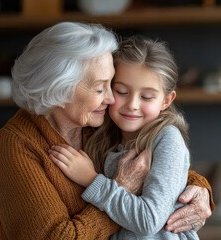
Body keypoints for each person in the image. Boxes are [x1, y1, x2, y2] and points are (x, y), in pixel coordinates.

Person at [0, 22, 214, 239]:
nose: (111, 98)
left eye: (111, 84)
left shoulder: (100, 123)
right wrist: (121, 187)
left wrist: (199, 189)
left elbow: (158, 165)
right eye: (100, 88)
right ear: (61, 90)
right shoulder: (14, 145)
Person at [49, 35, 199, 239]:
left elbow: (149, 221)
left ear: (166, 100)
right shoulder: (103, 136)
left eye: (146, 97)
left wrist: (91, 179)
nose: (132, 105)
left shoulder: (167, 138)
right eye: (121, 91)